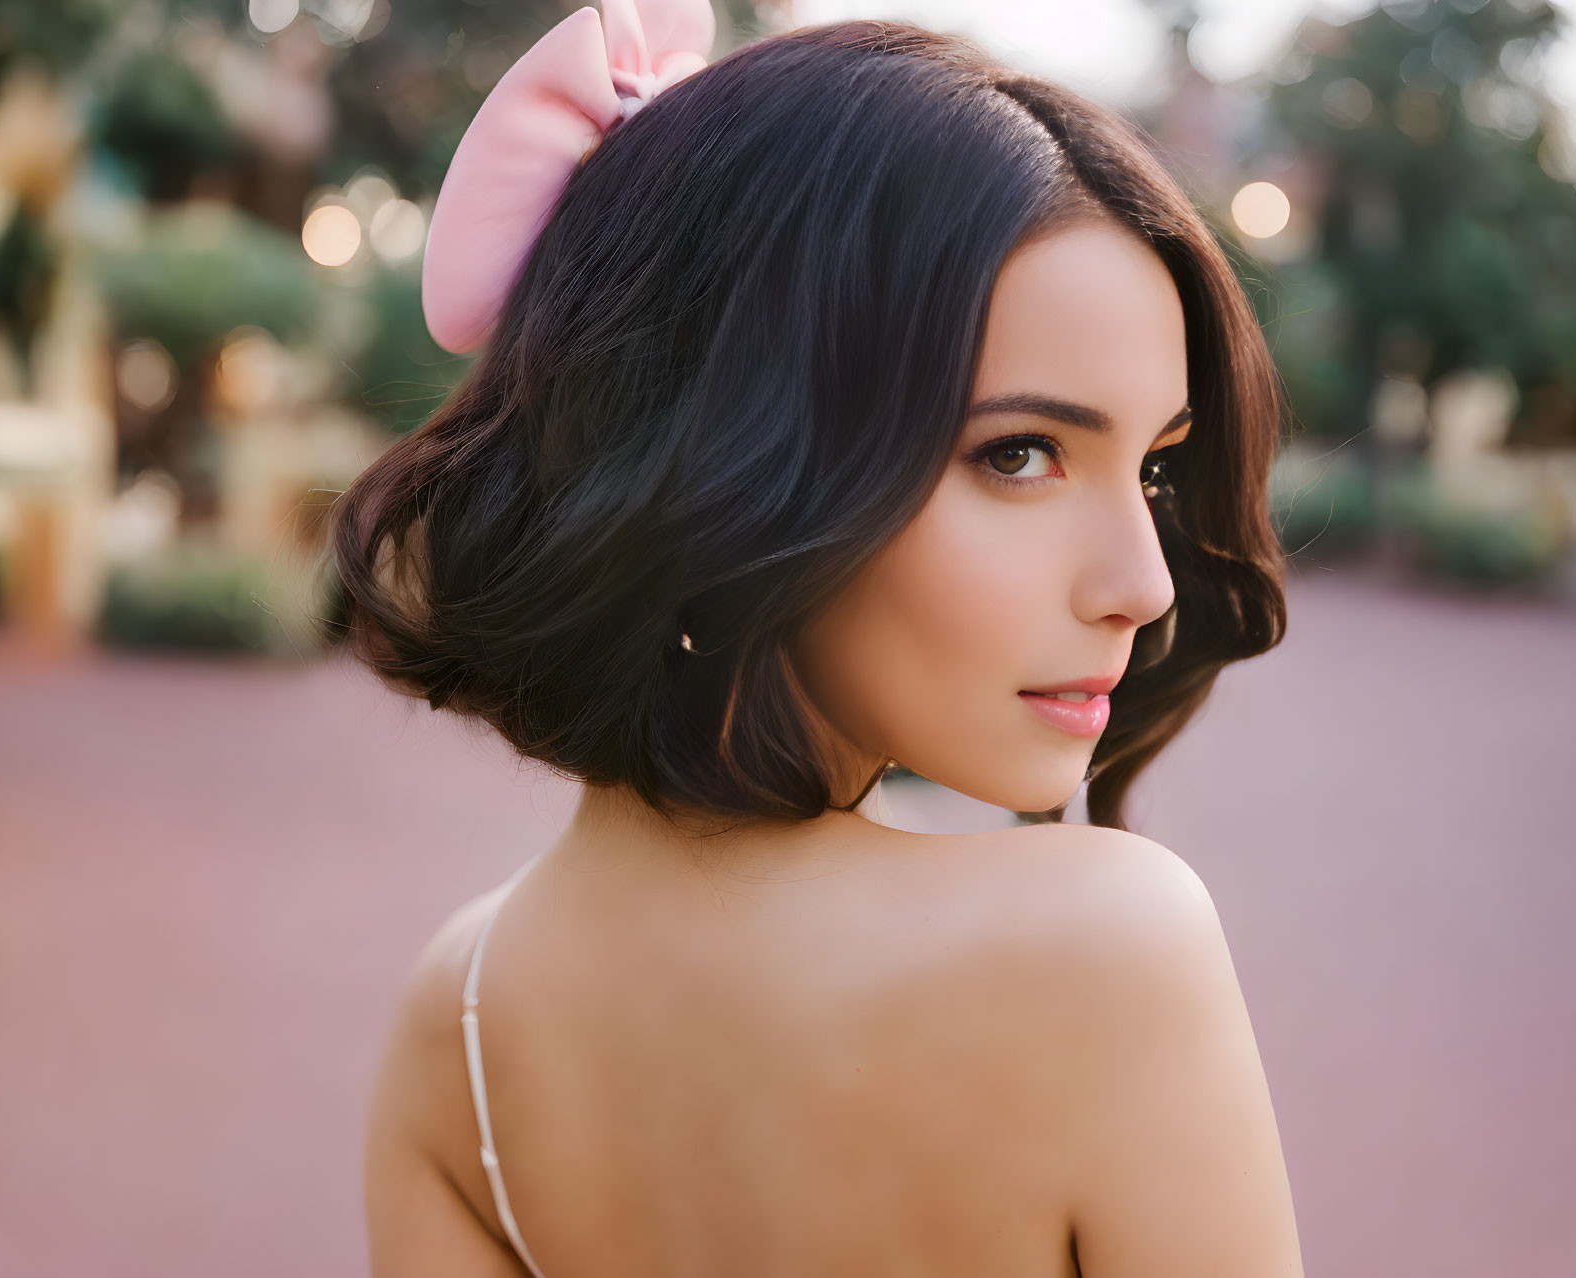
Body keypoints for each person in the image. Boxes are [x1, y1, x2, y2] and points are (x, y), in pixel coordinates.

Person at [329, 3, 1303, 1275]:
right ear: (734, 444)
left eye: (1156, 471)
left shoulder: (454, 1024)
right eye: (1020, 454)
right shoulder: (1107, 949)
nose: (1144, 583)